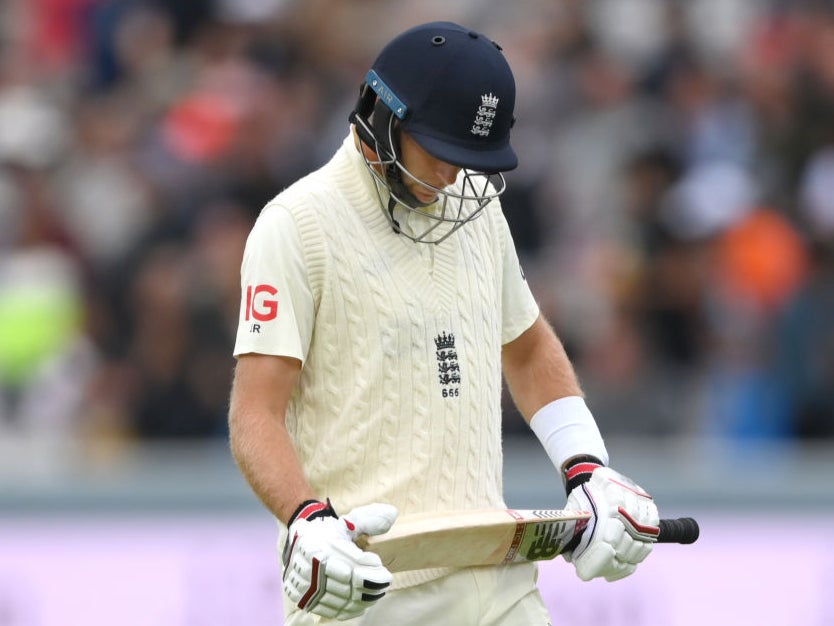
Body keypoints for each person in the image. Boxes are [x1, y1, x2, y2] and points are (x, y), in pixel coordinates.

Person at [228, 21, 660, 625]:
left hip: (497, 581)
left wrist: (586, 465)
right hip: (365, 586)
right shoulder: (297, 224)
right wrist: (307, 520)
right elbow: (254, 412)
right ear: (382, 116)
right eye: (441, 152)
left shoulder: (475, 208)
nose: (456, 177)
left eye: (470, 158)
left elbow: (530, 349)